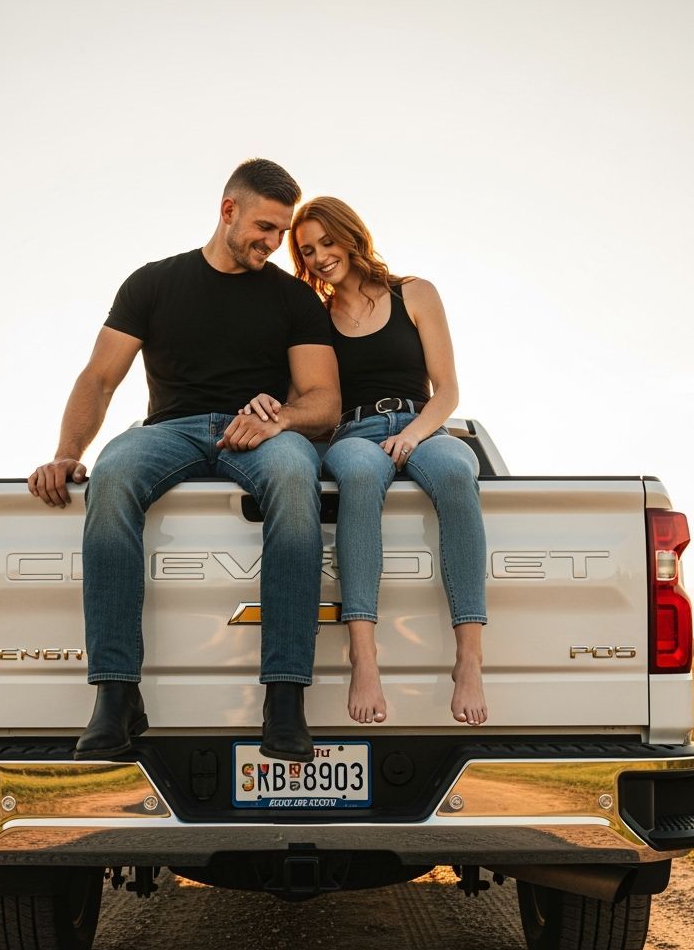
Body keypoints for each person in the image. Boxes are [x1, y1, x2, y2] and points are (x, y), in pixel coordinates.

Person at [28, 160, 340, 764]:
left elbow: (323, 401)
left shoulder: (294, 299)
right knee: (114, 474)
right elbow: (99, 377)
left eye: (281, 232)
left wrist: (277, 420)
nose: (274, 243)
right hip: (171, 431)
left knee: (296, 475)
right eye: (265, 228)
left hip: (262, 433)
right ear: (228, 211)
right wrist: (68, 454)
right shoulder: (152, 284)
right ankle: (116, 695)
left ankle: (285, 699)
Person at [243, 196, 487, 727]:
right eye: (307, 250)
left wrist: (413, 435)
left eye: (327, 242)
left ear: (352, 236)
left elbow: (447, 390)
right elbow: (306, 397)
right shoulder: (317, 319)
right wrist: (270, 406)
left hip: (422, 423)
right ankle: (364, 657)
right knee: (356, 474)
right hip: (353, 432)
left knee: (456, 471)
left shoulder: (414, 293)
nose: (320, 256)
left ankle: (469, 659)